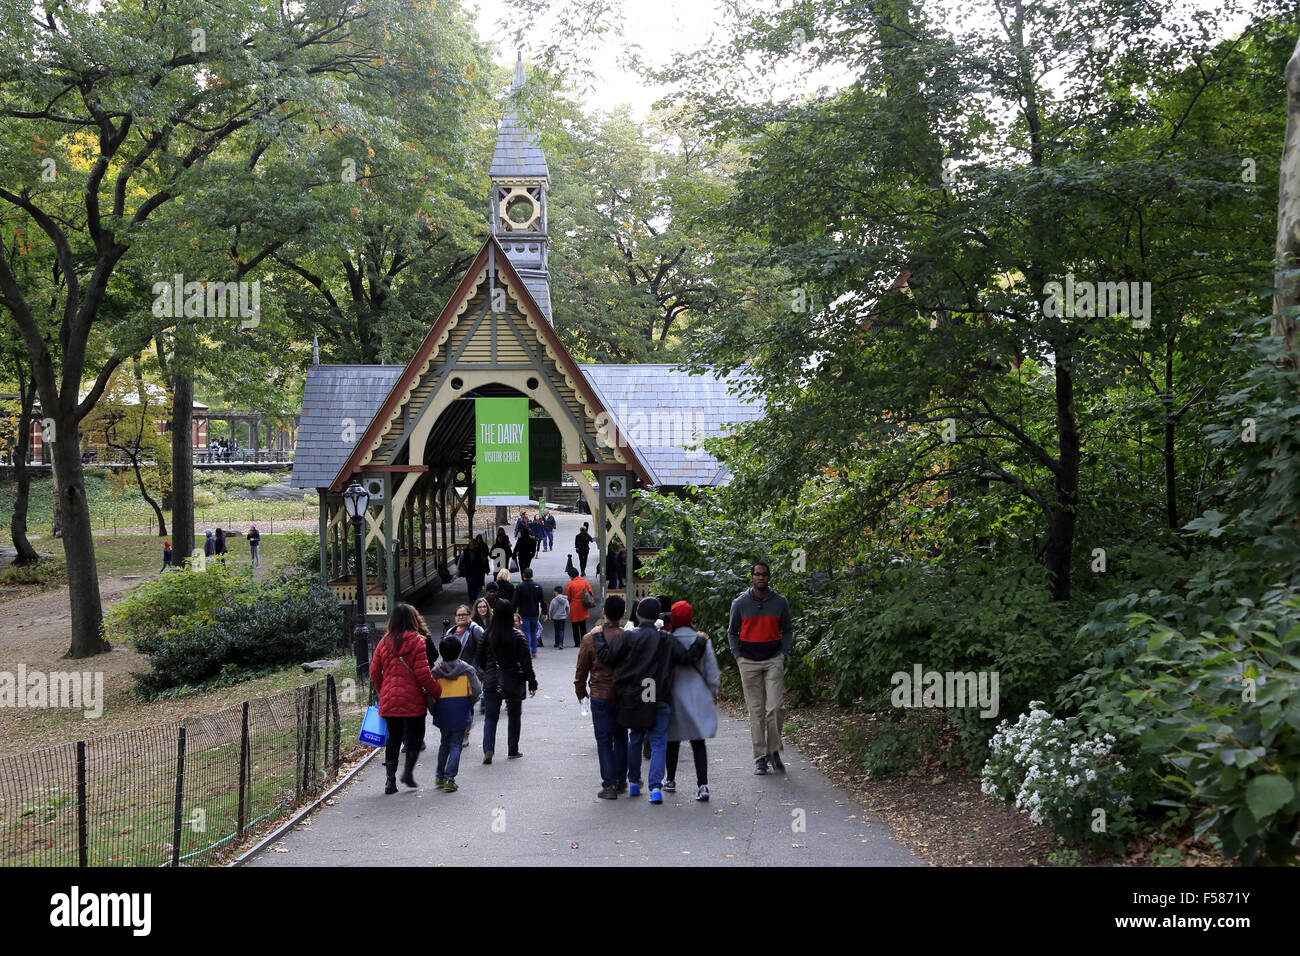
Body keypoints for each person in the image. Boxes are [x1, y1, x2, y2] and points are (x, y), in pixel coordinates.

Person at [594, 598, 707, 804]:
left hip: (633, 696)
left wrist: (599, 637)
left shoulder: (628, 637)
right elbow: (687, 659)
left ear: (638, 616)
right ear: (658, 617)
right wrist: (700, 641)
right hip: (659, 695)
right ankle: (656, 787)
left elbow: (608, 657)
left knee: (635, 738)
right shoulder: (666, 639)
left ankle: (635, 783)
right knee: (658, 742)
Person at [728, 561, 794, 775]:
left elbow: (787, 630)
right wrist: (738, 656)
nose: (761, 578)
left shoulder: (780, 602)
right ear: (751, 577)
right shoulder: (740, 603)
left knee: (775, 708)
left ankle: (774, 750)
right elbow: (732, 632)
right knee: (756, 712)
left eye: (764, 574)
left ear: (769, 577)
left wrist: (783, 653)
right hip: (748, 661)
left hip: (773, 659)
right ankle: (760, 758)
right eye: (757, 574)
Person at [369, 603, 442, 793]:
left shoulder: (384, 641)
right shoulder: (418, 641)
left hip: (390, 698)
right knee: (416, 737)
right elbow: (423, 674)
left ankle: (389, 780)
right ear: (412, 619)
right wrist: (437, 692)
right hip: (413, 700)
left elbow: (374, 670)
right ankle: (408, 773)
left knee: (393, 738)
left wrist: (383, 690)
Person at [664, 601, 720, 802]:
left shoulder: (667, 640)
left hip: (673, 695)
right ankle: (702, 785)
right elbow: (712, 672)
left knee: (673, 739)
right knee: (698, 741)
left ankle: (670, 780)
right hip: (698, 695)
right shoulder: (703, 640)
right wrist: (713, 692)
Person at [575, 595, 629, 799]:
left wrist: (582, 694)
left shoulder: (590, 639)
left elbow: (581, 671)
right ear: (623, 614)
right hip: (622, 695)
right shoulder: (627, 637)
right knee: (621, 738)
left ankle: (609, 785)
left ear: (604, 612)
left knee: (604, 741)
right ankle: (622, 780)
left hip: (599, 695)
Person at [474, 598, 536, 763]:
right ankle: (512, 749)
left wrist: (487, 670)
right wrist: (532, 682)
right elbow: (526, 662)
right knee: (514, 715)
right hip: (513, 678)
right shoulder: (517, 635)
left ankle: (488, 749)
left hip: (492, 679)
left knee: (490, 717)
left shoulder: (487, 634)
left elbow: (479, 658)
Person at [431, 635, 482, 792]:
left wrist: (433, 710)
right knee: (456, 745)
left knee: (444, 743)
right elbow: (477, 690)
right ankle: (449, 778)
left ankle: (439, 776)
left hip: (442, 710)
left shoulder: (436, 672)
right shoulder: (467, 670)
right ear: (460, 652)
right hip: (461, 709)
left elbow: (429, 692)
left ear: (441, 652)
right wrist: (469, 703)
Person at [514, 567, 546, 657]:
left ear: (523, 575)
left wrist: (513, 611)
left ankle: (528, 650)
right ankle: (534, 651)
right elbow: (542, 601)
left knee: (526, 632)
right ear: (532, 575)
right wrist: (545, 613)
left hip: (524, 613)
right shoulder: (538, 586)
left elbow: (515, 601)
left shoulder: (520, 587)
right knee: (533, 631)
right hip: (535, 613)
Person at [564, 568, 593, 647]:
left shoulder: (570, 584)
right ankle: (584, 642)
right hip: (583, 605)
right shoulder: (585, 582)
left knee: (575, 626)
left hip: (574, 606)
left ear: (571, 576)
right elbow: (591, 593)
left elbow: (567, 597)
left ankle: (577, 643)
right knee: (583, 625)